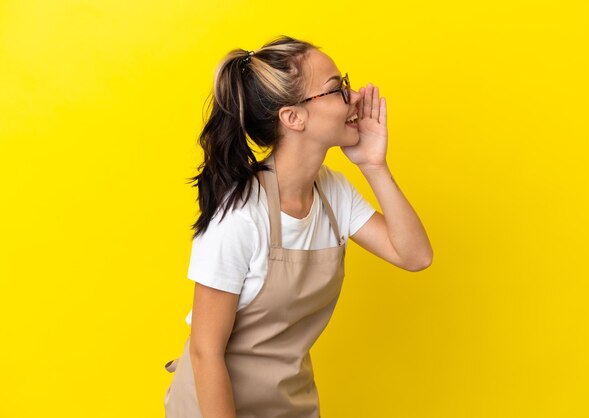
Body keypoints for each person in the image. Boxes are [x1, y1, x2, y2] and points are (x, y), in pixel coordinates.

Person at [163, 35, 433, 418]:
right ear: (293, 117)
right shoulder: (240, 217)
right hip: (213, 406)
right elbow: (206, 351)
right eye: (336, 88)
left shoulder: (333, 192)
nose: (353, 97)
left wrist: (374, 165)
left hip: (288, 402)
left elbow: (415, 256)